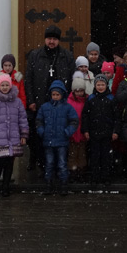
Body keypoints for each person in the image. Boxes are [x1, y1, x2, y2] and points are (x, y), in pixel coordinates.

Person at [26, 25, 75, 172]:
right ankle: (39, 162)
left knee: (58, 133)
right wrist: (31, 100)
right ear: (45, 39)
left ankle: (58, 165)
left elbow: (71, 78)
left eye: (54, 39)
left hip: (60, 102)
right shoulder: (35, 55)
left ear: (58, 40)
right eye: (49, 39)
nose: (51, 42)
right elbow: (29, 79)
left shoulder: (66, 56)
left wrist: (68, 100)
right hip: (40, 101)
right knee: (38, 134)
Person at [0, 73, 29, 198]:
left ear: (10, 85)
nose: (4, 87)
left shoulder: (17, 102)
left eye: (6, 85)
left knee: (9, 165)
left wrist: (23, 135)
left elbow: (22, 119)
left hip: (13, 138)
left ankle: (6, 187)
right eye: (2, 85)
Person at [36, 80, 79, 195]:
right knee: (49, 163)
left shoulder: (67, 108)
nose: (55, 97)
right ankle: (48, 184)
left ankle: (63, 184)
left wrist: (67, 131)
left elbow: (74, 121)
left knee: (62, 163)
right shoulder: (45, 107)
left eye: (57, 95)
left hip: (61, 140)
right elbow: (39, 121)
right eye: (53, 94)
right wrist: (42, 131)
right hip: (48, 140)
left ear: (62, 95)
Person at [81, 75, 116, 189]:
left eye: (103, 84)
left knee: (106, 156)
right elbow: (85, 115)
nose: (101, 87)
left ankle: (106, 177)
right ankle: (95, 177)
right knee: (94, 156)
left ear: (106, 85)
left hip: (107, 132)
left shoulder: (111, 98)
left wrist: (115, 131)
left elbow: (117, 117)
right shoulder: (91, 99)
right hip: (94, 132)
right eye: (98, 85)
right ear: (95, 86)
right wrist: (85, 130)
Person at [67, 77, 88, 180]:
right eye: (77, 91)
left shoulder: (87, 101)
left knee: (82, 153)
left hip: (82, 131)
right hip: (73, 131)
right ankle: (72, 172)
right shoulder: (69, 101)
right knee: (72, 153)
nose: (79, 93)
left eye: (81, 91)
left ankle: (81, 172)